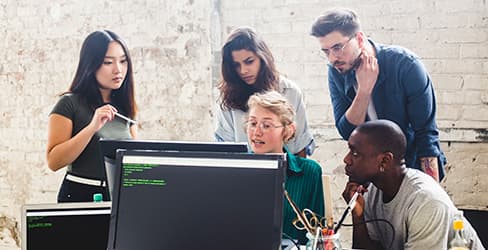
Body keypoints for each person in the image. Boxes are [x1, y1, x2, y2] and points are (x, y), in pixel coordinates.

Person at [310, 8, 446, 181]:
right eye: (326, 51)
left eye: (337, 47)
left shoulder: (406, 65)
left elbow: (426, 136)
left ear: (359, 38)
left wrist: (431, 193)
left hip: (412, 170)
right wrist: (364, 91)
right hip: (370, 173)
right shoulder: (337, 71)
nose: (332, 58)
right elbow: (347, 132)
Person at [341, 120, 484, 250]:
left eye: (355, 153)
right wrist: (357, 215)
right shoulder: (372, 190)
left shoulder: (426, 201)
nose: (346, 159)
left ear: (384, 161)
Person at [46, 30, 137, 203]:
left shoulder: (125, 106)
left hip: (119, 197)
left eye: (123, 61)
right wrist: (92, 127)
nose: (118, 69)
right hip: (81, 194)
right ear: (91, 64)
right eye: (108, 62)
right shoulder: (69, 103)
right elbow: (53, 161)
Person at [215, 26, 315, 157]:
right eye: (236, 65)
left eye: (249, 62)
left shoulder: (290, 92)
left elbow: (299, 147)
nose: (243, 70)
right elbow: (226, 153)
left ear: (263, 58)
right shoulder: (228, 99)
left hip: (286, 173)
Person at [246, 90, 324, 244]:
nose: (256, 132)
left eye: (266, 125)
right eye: (253, 123)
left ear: (287, 131)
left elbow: (316, 235)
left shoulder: (310, 172)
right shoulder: (235, 170)